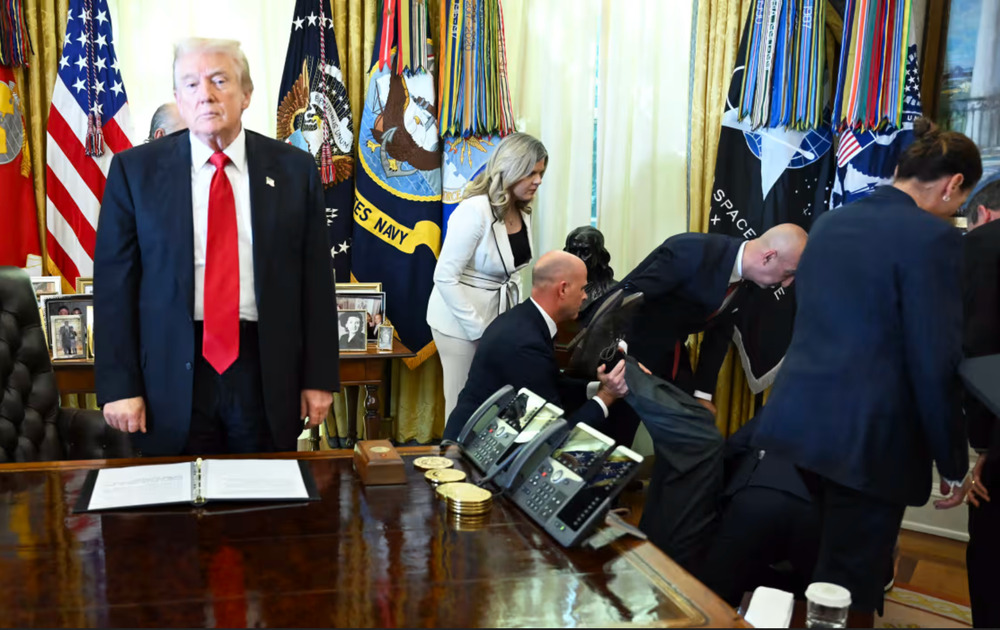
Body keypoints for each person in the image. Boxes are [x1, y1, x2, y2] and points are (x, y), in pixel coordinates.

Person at [751, 119, 982, 615]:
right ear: (953, 184)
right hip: (871, 440)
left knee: (821, 564)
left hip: (800, 425)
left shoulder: (829, 223)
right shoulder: (934, 239)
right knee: (851, 581)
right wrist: (952, 460)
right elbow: (935, 357)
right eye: (961, 199)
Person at [95, 38, 339, 456]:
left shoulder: (295, 170)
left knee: (263, 493)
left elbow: (316, 282)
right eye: (190, 84)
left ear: (246, 94)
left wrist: (318, 378)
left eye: (219, 80)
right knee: (175, 495)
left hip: (265, 369)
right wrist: (119, 385)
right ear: (178, 97)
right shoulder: (134, 172)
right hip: (168, 374)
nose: (204, 94)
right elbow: (114, 287)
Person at [442, 251, 627, 441]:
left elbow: (550, 381)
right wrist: (606, 396)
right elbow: (555, 437)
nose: (585, 296)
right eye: (582, 289)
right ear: (563, 290)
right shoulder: (526, 343)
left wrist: (598, 387)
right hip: (469, 450)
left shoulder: (524, 319)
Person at [427, 132, 548, 420]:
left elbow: (512, 274)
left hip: (498, 320)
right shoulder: (474, 210)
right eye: (531, 173)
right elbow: (444, 277)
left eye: (541, 173)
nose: (538, 181)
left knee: (494, 403)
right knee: (462, 407)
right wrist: (479, 331)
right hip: (458, 324)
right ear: (511, 168)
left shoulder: (523, 210)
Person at [960, 174, 1000, 627]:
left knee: (991, 558)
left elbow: (980, 347)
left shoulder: (983, 247)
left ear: (983, 214)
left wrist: (984, 445)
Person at [564, 225, 616, 309]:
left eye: (585, 252)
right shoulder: (556, 289)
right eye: (573, 251)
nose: (577, 258)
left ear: (599, 255)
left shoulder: (613, 291)